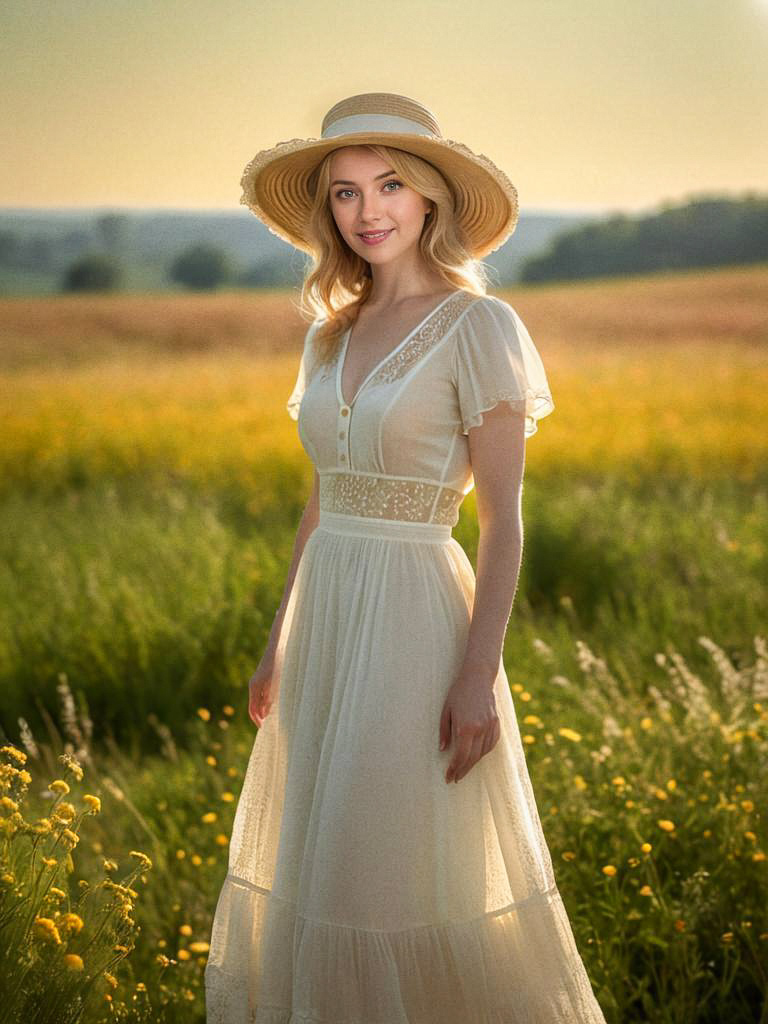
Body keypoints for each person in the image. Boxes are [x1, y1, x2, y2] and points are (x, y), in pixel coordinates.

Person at [205, 92, 607, 1024]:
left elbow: (502, 523)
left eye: (390, 184)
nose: (368, 209)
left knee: (388, 876)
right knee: (319, 867)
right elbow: (321, 503)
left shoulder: (481, 328)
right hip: (326, 628)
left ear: (430, 199)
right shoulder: (326, 334)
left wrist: (478, 672)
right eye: (345, 193)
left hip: (415, 623)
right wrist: (278, 641)